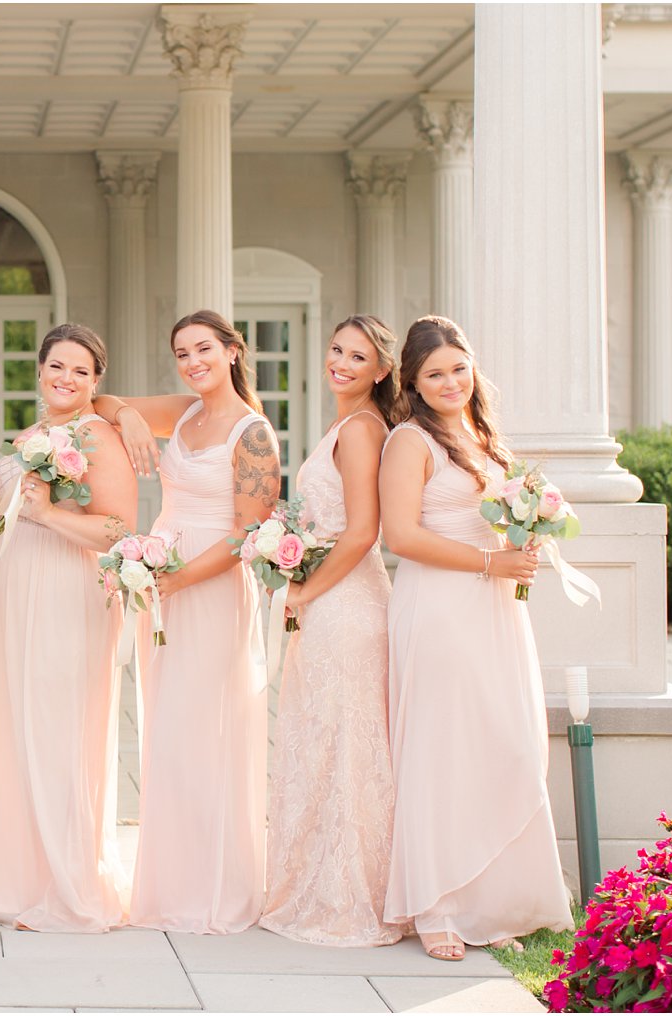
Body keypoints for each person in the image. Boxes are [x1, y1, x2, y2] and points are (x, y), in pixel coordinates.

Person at [380, 315, 573, 960]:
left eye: (458, 367)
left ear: (472, 367)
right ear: (412, 381)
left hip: (496, 607)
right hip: (439, 605)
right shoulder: (410, 441)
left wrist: (528, 536)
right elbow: (400, 537)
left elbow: (507, 510)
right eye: (434, 373)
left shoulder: (485, 436)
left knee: (505, 743)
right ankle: (436, 906)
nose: (450, 381)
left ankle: (496, 898)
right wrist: (492, 562)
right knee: (443, 748)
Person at [95, 309, 280, 934]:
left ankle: (216, 889)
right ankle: (169, 887)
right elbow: (100, 400)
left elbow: (248, 534)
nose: (193, 362)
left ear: (233, 351)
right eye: (181, 353)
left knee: (211, 731)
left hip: (211, 586)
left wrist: (178, 577)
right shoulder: (186, 412)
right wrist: (125, 417)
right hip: (162, 584)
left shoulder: (252, 434)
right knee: (167, 728)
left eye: (204, 349)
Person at [0, 323, 135, 933]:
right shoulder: (29, 437)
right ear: (39, 371)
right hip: (10, 593)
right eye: (57, 366)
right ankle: (17, 880)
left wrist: (47, 516)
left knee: (58, 728)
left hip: (65, 592)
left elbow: (118, 528)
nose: (66, 379)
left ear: (96, 382)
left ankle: (67, 888)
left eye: (81, 371)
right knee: (13, 726)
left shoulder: (97, 435)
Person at [259, 315, 403, 946]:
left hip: (347, 605)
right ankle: (320, 883)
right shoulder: (347, 425)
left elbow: (363, 529)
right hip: (334, 599)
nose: (342, 362)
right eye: (337, 350)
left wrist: (307, 590)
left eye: (358, 355)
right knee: (326, 739)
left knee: (347, 744)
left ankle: (352, 897)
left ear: (381, 369)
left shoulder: (364, 429)